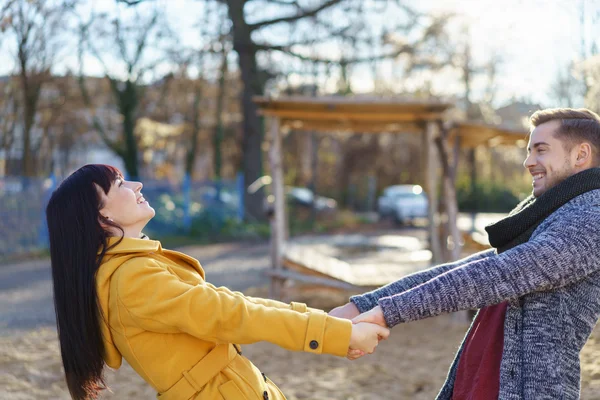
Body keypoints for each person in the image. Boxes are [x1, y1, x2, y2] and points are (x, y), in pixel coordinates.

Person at [46, 164, 389, 400]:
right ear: (102, 215)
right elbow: (233, 314)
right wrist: (334, 334)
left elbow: (232, 303)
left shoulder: (133, 268)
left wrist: (328, 324)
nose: (136, 186)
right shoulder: (133, 279)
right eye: (120, 184)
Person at [331, 108, 600, 400]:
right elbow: (473, 267)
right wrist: (363, 305)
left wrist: (387, 314)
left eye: (541, 150)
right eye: (529, 151)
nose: (528, 161)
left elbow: (501, 274)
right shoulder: (547, 216)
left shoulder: (591, 217)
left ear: (580, 155)